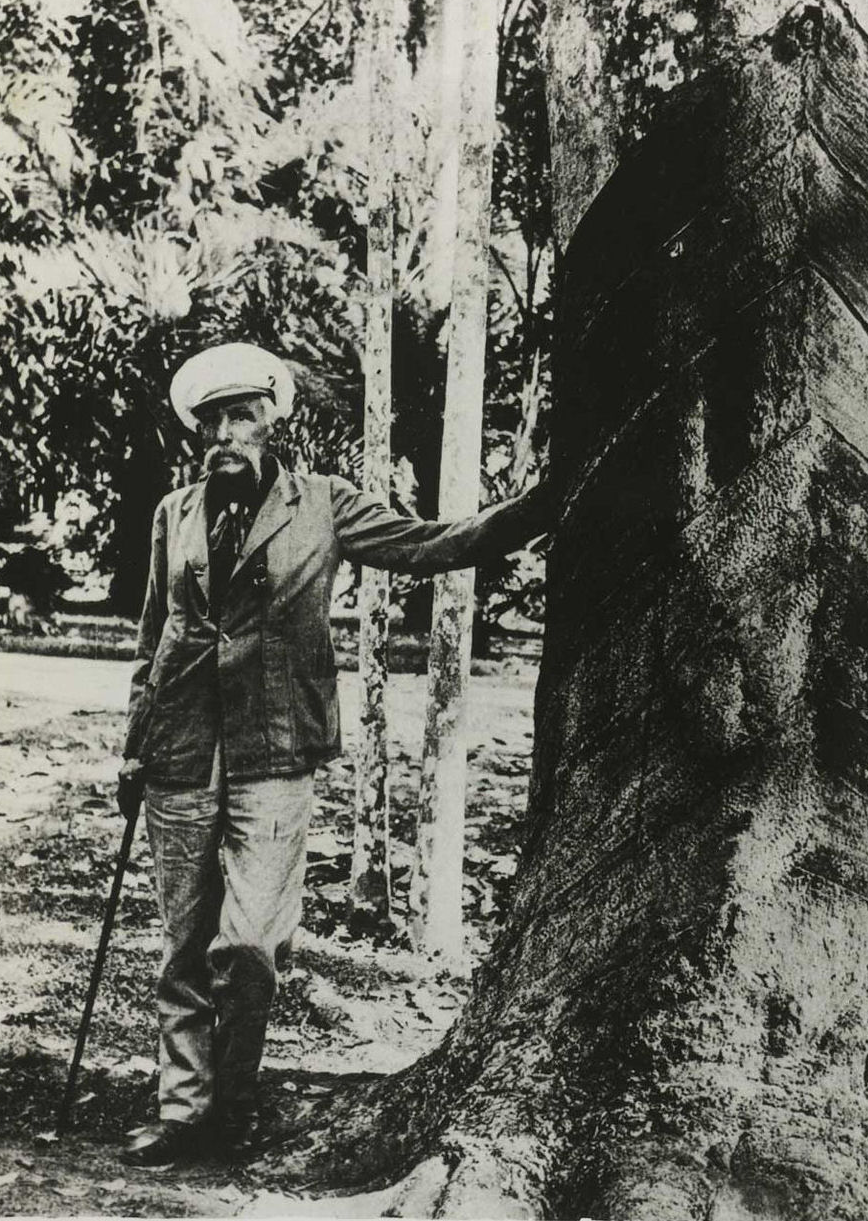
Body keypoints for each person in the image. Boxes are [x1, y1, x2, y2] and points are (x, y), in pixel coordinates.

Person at [116, 342, 548, 1167]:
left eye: (241, 415)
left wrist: (532, 511)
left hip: (276, 751)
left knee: (246, 944)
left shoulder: (324, 505)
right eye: (212, 421)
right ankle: (182, 1110)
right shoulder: (174, 513)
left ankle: (231, 1103)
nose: (225, 434)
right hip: (179, 752)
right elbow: (153, 638)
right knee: (182, 945)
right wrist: (134, 748)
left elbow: (430, 544)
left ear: (273, 420)